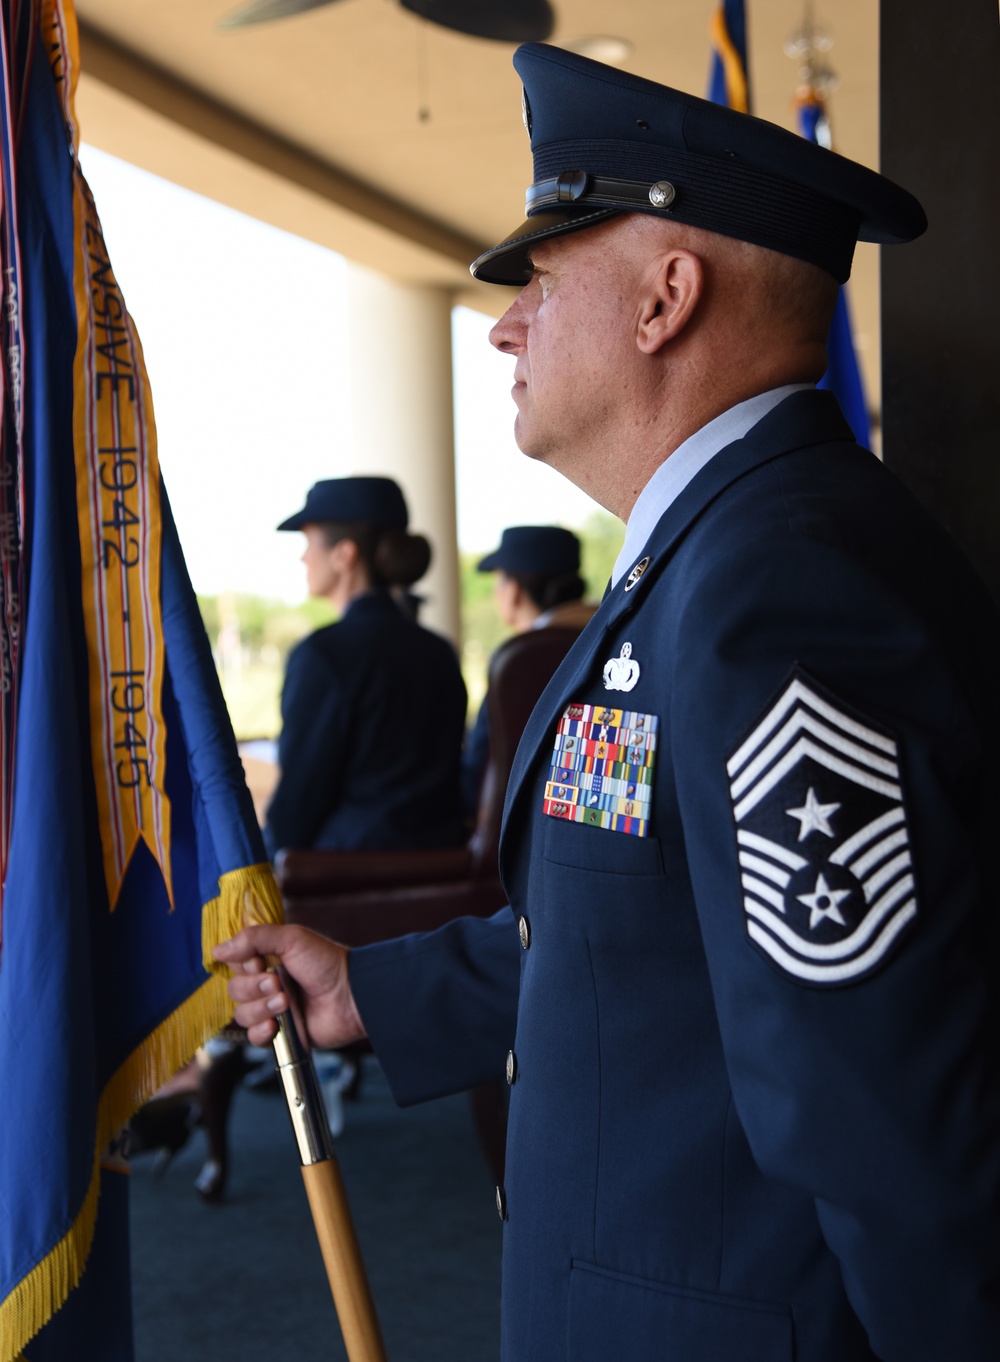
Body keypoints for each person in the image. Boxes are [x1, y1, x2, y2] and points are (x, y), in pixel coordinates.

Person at [217, 44, 1000, 1362]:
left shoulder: (781, 584)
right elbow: (639, 928)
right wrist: (380, 991)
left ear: (666, 299)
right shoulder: (705, 562)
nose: (505, 323)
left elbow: (883, 1105)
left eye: (540, 273)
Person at [262, 474, 467, 856]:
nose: (303, 557)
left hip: (345, 879)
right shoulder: (438, 650)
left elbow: (298, 805)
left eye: (310, 543)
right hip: (444, 874)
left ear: (345, 554)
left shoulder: (324, 655)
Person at [462, 524, 596, 815]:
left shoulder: (517, 661)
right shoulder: (606, 640)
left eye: (498, 583)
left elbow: (480, 769)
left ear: (513, 592)